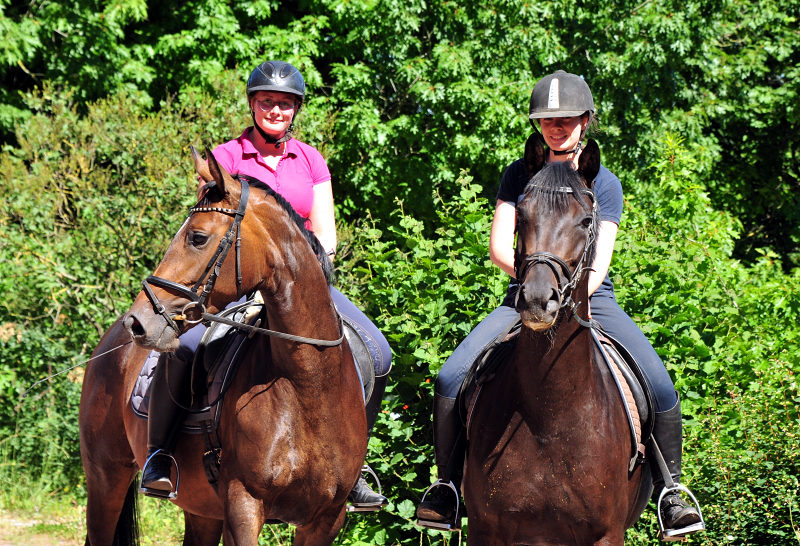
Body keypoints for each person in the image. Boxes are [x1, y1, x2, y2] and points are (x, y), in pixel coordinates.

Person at [415, 70, 704, 538]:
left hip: (590, 296)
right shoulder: (518, 174)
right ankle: (447, 487)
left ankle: (671, 492)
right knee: (451, 376)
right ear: (538, 126)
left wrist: (565, 292)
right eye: (547, 119)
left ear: (585, 121)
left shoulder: (602, 182)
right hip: (523, 291)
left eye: (567, 118)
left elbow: (600, 261)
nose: (557, 126)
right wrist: (534, 282)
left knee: (660, 386)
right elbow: (499, 248)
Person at [140, 61, 392, 511]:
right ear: (253, 104)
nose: (276, 109)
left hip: (304, 287)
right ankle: (160, 455)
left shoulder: (311, 160)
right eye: (267, 101)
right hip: (239, 284)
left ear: (295, 109)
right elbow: (209, 228)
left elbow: (326, 236)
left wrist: (297, 282)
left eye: (285, 103)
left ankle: (353, 467)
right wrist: (253, 286)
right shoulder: (226, 158)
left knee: (376, 351)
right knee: (186, 347)